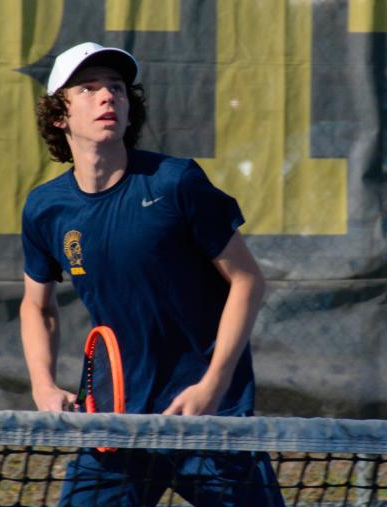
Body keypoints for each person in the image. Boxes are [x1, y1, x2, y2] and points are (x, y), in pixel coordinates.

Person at [20, 42, 285, 506]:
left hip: (210, 418)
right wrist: (43, 384)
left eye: (117, 88)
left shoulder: (175, 182)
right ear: (59, 115)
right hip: (116, 421)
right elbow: (37, 306)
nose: (108, 97)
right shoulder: (45, 209)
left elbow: (247, 281)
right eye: (88, 88)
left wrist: (213, 385)